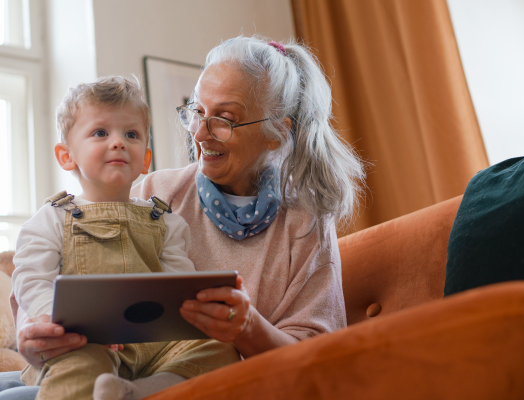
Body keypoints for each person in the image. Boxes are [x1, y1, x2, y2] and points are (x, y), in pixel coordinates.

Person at [0, 35, 365, 399]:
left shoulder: (305, 224)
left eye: (224, 119)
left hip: (201, 379)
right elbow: (39, 285)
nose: (200, 133)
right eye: (196, 111)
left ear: (276, 133)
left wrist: (246, 328)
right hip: (97, 359)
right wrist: (37, 341)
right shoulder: (157, 191)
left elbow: (320, 362)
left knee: (216, 351)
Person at [5, 76, 240, 400]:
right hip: (77, 342)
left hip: (152, 345)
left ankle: (132, 393)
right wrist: (50, 322)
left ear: (145, 158)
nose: (118, 142)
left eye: (131, 134)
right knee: (79, 360)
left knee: (218, 348)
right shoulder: (51, 218)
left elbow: (178, 283)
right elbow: (31, 278)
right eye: (100, 133)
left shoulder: (165, 220)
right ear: (66, 156)